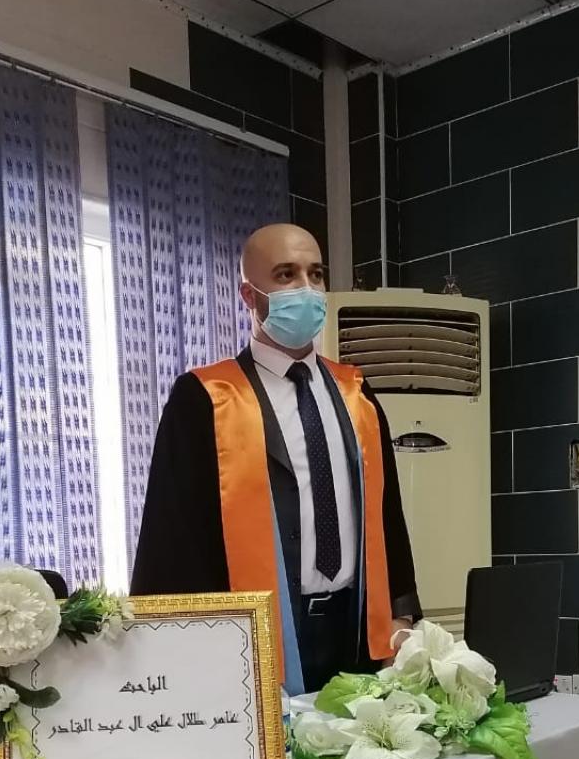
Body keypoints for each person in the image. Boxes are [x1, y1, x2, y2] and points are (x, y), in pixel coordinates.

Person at [131, 222, 420, 694]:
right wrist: (174, 650)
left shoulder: (356, 391)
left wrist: (401, 613)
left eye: (316, 273)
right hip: (253, 635)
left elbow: (387, 512)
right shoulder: (205, 397)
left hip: (355, 626)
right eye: (286, 275)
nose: (306, 288)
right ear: (250, 295)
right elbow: (172, 532)